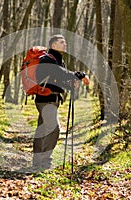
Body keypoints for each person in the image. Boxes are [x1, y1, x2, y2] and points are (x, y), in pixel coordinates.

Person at [32, 34, 89, 171]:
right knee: (54, 128)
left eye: (65, 42)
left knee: (43, 129)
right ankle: (45, 161)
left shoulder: (58, 60)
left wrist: (69, 85)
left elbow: (58, 78)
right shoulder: (47, 59)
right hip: (45, 100)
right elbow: (59, 72)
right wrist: (79, 75)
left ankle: (37, 161)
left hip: (53, 99)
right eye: (62, 42)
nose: (65, 44)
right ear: (53, 45)